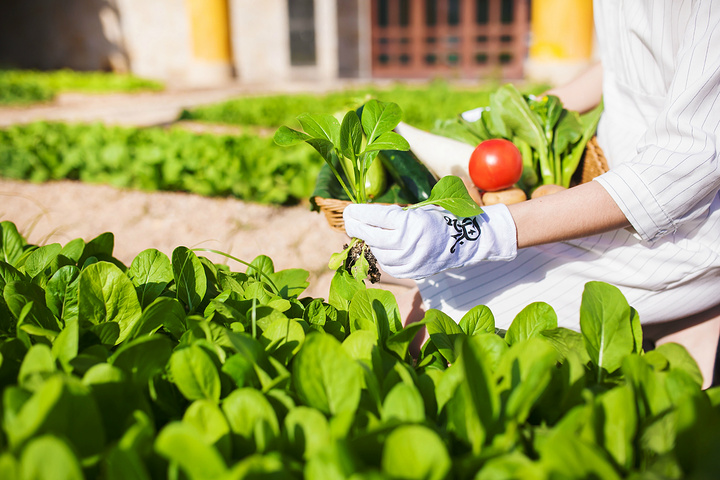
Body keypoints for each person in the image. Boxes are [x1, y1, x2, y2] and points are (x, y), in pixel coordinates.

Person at [343, 1, 720, 388]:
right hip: (599, 196)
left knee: (432, 326)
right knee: (407, 274)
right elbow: (627, 58)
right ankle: (685, 319)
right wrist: (531, 111)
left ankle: (693, 309)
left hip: (685, 228)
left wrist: (480, 234)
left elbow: (682, 171)